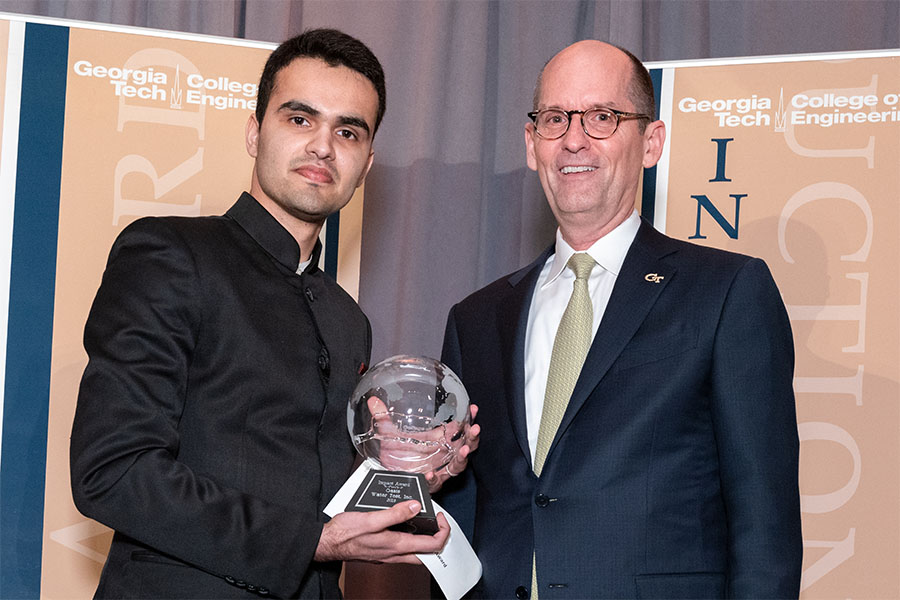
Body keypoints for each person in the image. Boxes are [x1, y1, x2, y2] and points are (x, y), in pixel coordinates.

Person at [70, 29, 473, 599]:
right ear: (255, 133)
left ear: (367, 162)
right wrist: (312, 541)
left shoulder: (345, 319)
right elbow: (113, 472)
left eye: (348, 131)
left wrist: (408, 469)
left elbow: (315, 491)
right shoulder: (170, 254)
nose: (323, 147)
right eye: (300, 119)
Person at [437, 40, 802, 599]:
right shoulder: (477, 319)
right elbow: (460, 513)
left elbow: (764, 523)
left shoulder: (727, 292)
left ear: (651, 142)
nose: (574, 139)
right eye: (554, 119)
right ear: (531, 144)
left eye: (602, 117)